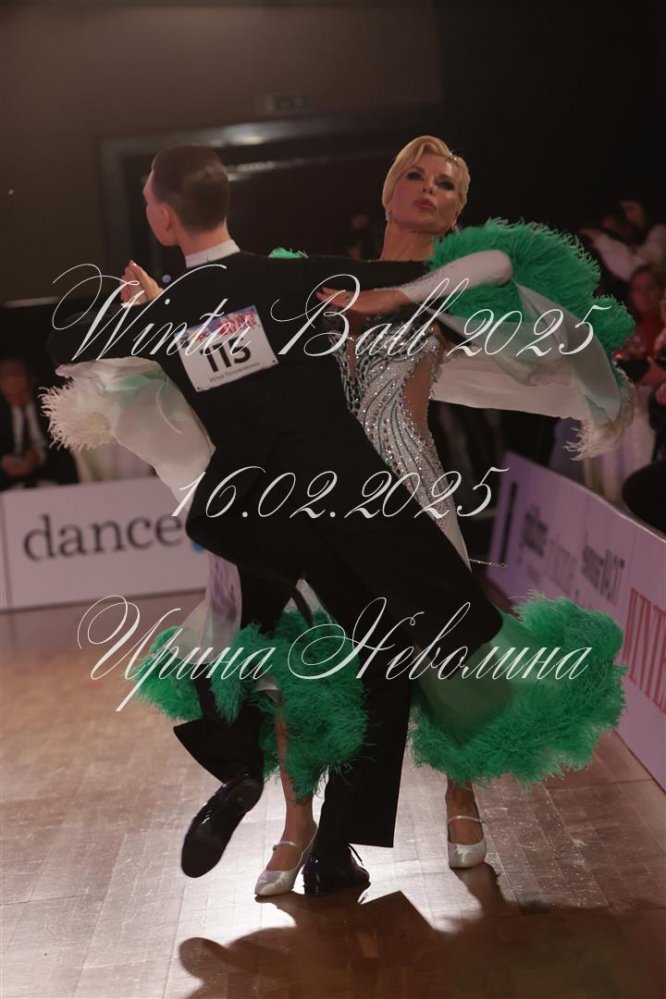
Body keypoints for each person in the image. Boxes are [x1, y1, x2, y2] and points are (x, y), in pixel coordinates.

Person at [47, 140, 630, 898]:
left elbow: (505, 289)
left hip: (408, 486)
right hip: (325, 492)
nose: (427, 190)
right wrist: (173, 310)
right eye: (414, 176)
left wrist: (395, 300)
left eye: (445, 184)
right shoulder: (316, 276)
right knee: (313, 658)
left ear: (459, 208)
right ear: (387, 191)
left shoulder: (440, 288)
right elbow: (231, 337)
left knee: (436, 653)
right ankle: (305, 827)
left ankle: (456, 799)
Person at [0, 356, 77, 490]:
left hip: (52, 472)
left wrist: (39, 455)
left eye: (14, 374)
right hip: (9, 480)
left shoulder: (51, 404)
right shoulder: (3, 412)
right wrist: (5, 461)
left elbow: (65, 444)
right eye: (4, 375)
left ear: (31, 378)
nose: (10, 380)